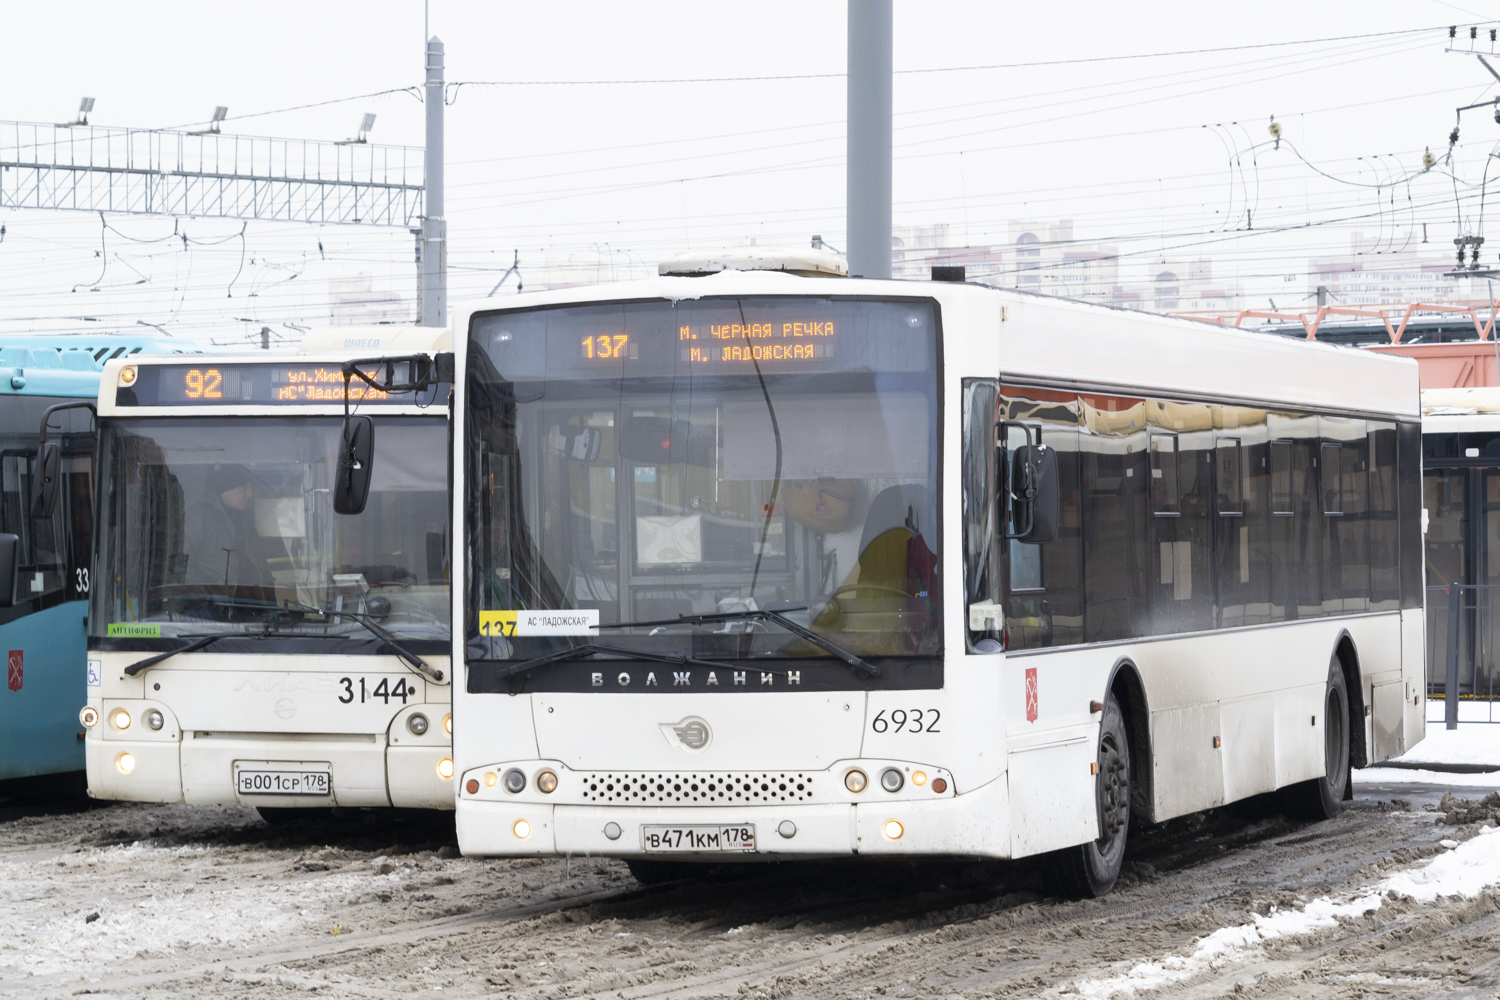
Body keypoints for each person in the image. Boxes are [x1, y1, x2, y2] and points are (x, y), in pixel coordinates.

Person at [182, 464, 286, 598]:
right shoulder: (199, 516)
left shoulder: (244, 520)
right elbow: (181, 564)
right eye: (244, 487)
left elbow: (261, 566)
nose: (250, 494)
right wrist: (207, 597)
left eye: (251, 487)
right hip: (211, 612)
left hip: (248, 608)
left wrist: (272, 604)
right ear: (226, 487)